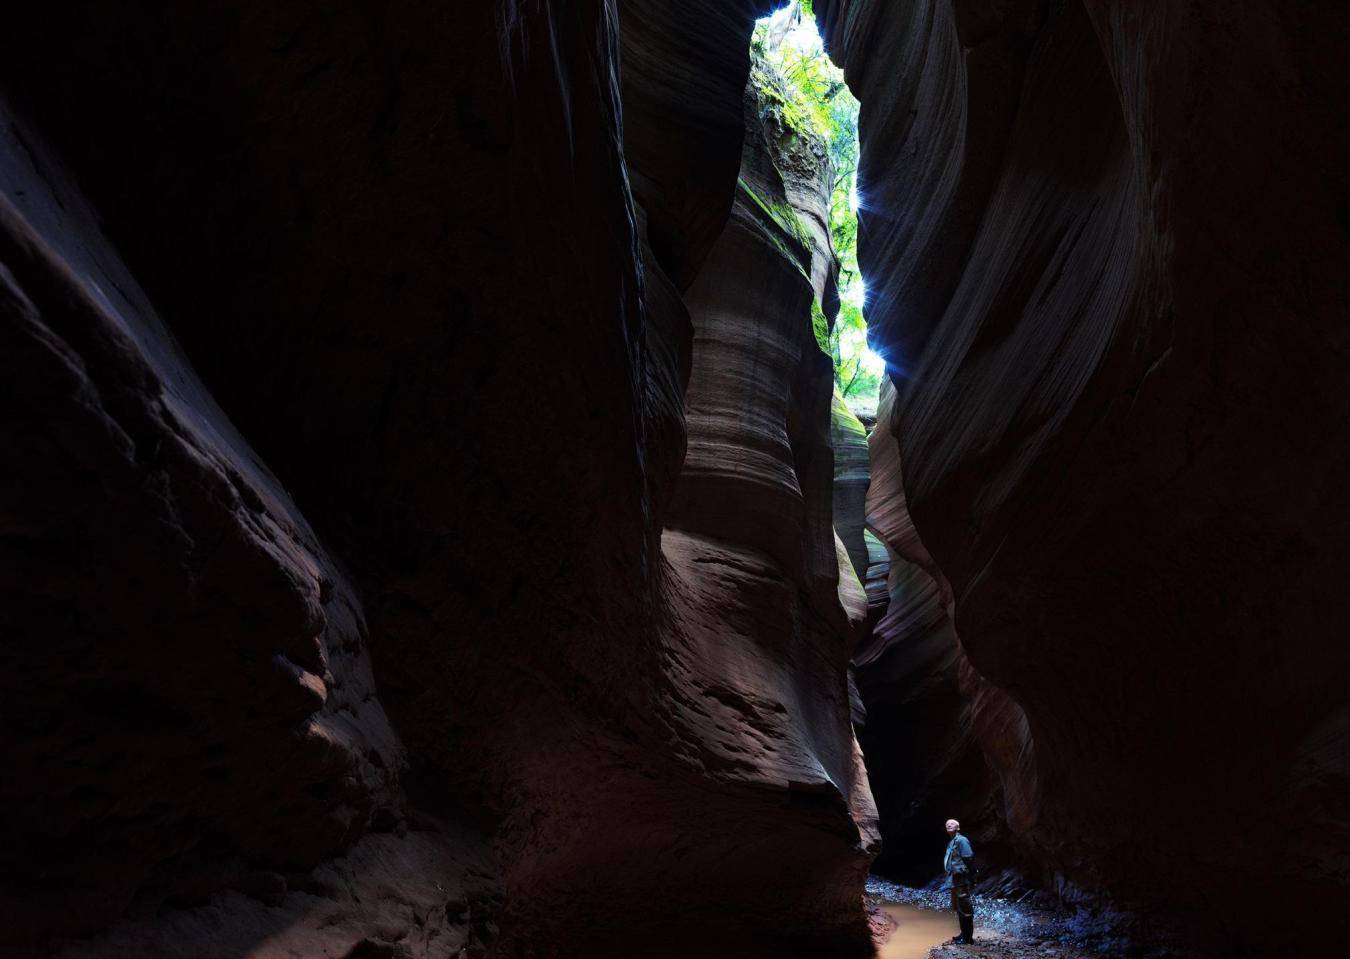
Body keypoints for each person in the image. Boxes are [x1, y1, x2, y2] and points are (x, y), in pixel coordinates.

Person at [943, 818, 975, 944]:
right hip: (954, 880)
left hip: (961, 879)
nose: (948, 825)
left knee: (965, 909)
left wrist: (969, 875)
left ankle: (968, 939)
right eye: (947, 824)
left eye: (952, 824)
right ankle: (963, 933)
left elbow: (968, 857)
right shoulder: (952, 842)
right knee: (959, 908)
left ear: (958, 828)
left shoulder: (962, 840)